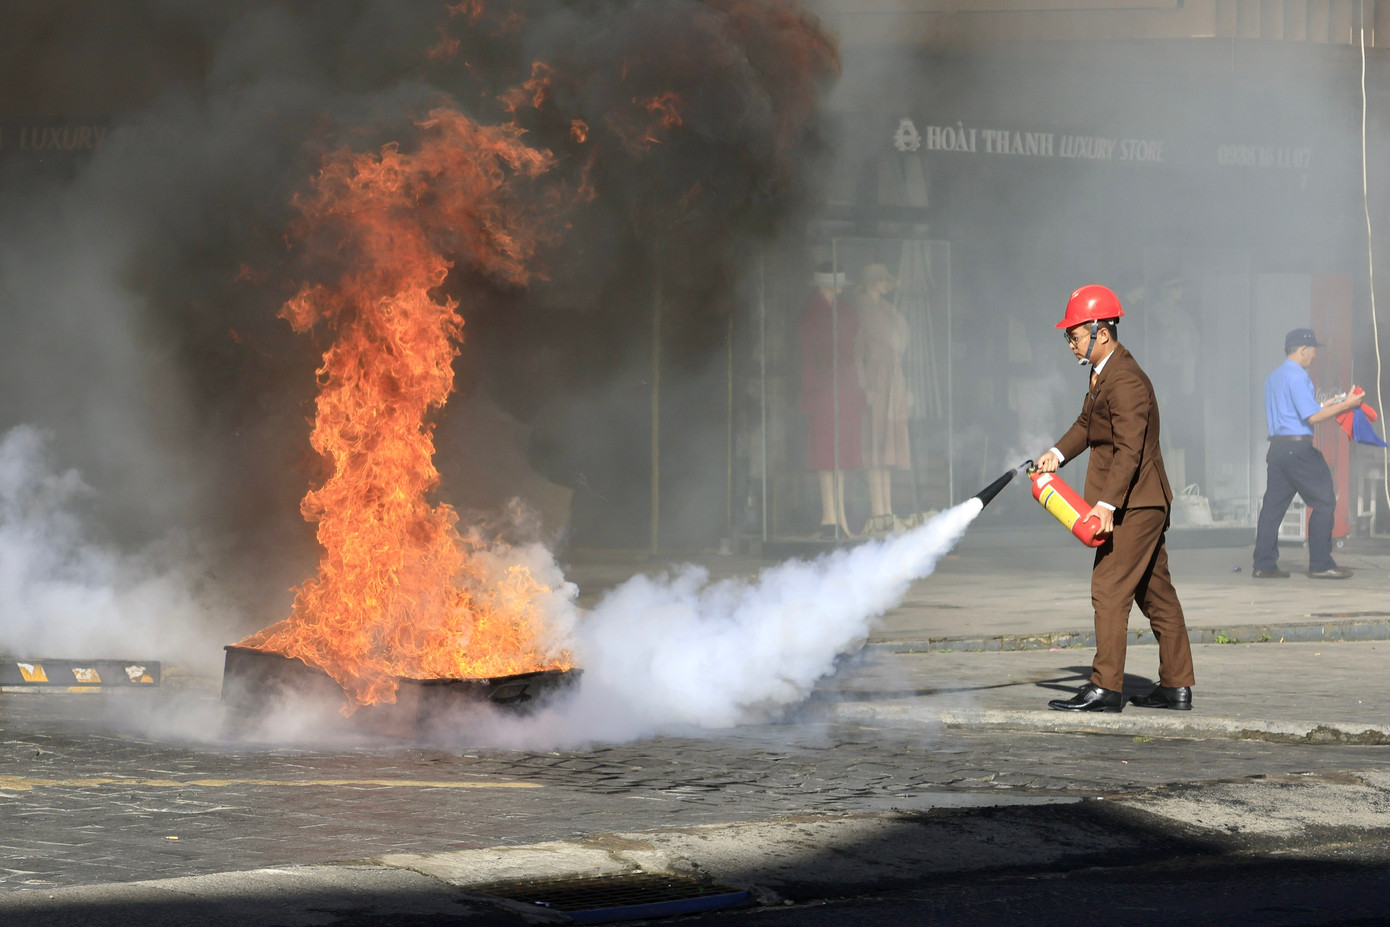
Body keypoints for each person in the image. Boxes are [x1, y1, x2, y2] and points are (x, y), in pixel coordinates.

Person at [1036, 285, 1196, 713]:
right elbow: (1086, 425)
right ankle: (1176, 685)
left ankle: (1105, 688)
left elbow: (1129, 449)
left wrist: (1106, 505)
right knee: (1156, 594)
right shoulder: (1103, 372)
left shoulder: (1124, 380)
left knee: (1107, 588)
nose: (1070, 344)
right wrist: (1055, 455)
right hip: (1137, 500)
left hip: (1134, 504)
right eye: (1068, 336)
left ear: (1101, 332)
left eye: (1074, 335)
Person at [1251, 329, 1364, 580]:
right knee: (1324, 501)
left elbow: (1298, 411)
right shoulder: (1298, 376)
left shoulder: (1273, 377)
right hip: (1298, 450)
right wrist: (1347, 405)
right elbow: (1312, 417)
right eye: (1313, 351)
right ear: (1303, 349)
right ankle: (1321, 564)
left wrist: (1328, 404)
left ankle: (1263, 564)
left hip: (1278, 449)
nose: (1314, 356)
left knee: (1272, 507)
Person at [799, 264, 864, 539]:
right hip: (824, 388)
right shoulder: (812, 314)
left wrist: (859, 386)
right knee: (826, 453)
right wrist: (809, 390)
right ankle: (829, 517)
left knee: (841, 452)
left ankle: (839, 517)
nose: (839, 288)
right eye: (834, 283)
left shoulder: (845, 311)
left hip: (845, 386)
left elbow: (856, 351)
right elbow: (807, 356)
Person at [854, 263, 911, 535]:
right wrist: (863, 386)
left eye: (886, 281)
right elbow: (858, 354)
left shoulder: (887, 311)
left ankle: (886, 510)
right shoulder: (865, 310)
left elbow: (901, 340)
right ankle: (878, 510)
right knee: (875, 444)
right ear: (870, 283)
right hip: (876, 380)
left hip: (891, 380)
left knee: (885, 447)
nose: (885, 285)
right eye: (880, 280)